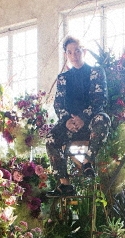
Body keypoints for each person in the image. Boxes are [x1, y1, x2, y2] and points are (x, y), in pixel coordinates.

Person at [46, 36, 111, 197]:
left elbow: (100, 100)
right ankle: (65, 184)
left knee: (103, 119)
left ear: (84, 52)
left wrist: (83, 118)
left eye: (77, 51)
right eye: (69, 52)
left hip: (91, 123)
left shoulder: (96, 72)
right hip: (70, 125)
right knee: (51, 138)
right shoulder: (63, 78)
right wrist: (67, 121)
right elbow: (58, 104)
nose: (74, 55)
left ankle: (87, 163)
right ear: (66, 55)